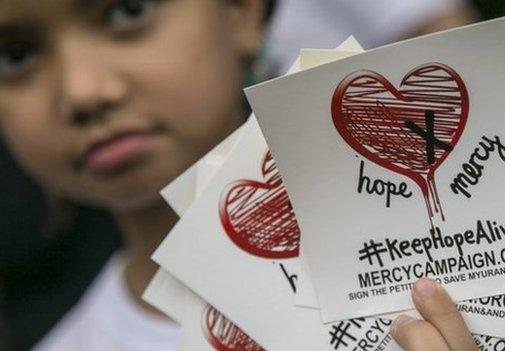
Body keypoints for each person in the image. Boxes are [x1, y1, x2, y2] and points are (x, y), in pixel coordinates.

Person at [0, 0, 476, 350]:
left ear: (241, 12)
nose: (82, 90)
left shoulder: (469, 252)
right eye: (15, 56)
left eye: (128, 11)